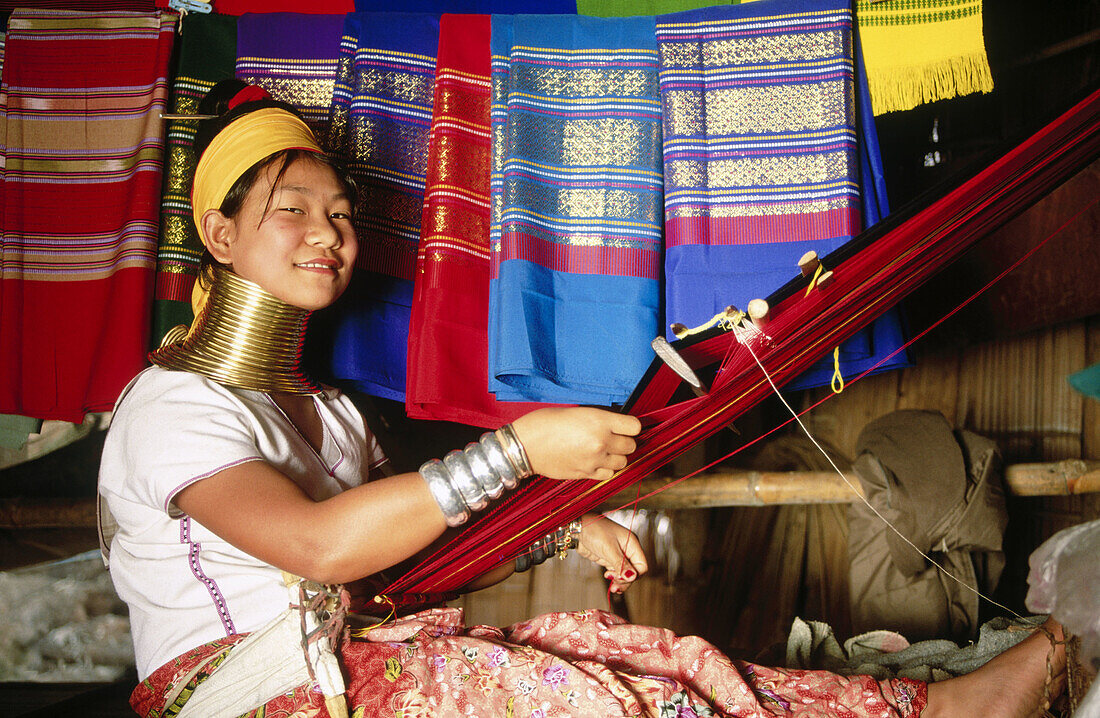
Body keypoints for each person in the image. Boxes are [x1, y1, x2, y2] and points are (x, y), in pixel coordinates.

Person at [98, 84, 1067, 718]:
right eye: (294, 211)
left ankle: (926, 710)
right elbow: (319, 547)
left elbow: (415, 546)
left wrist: (564, 529)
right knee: (584, 696)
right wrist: (521, 452)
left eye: (341, 214)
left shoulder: (329, 412)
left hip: (349, 668)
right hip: (237, 697)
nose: (328, 233)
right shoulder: (169, 405)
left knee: (647, 655)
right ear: (219, 237)